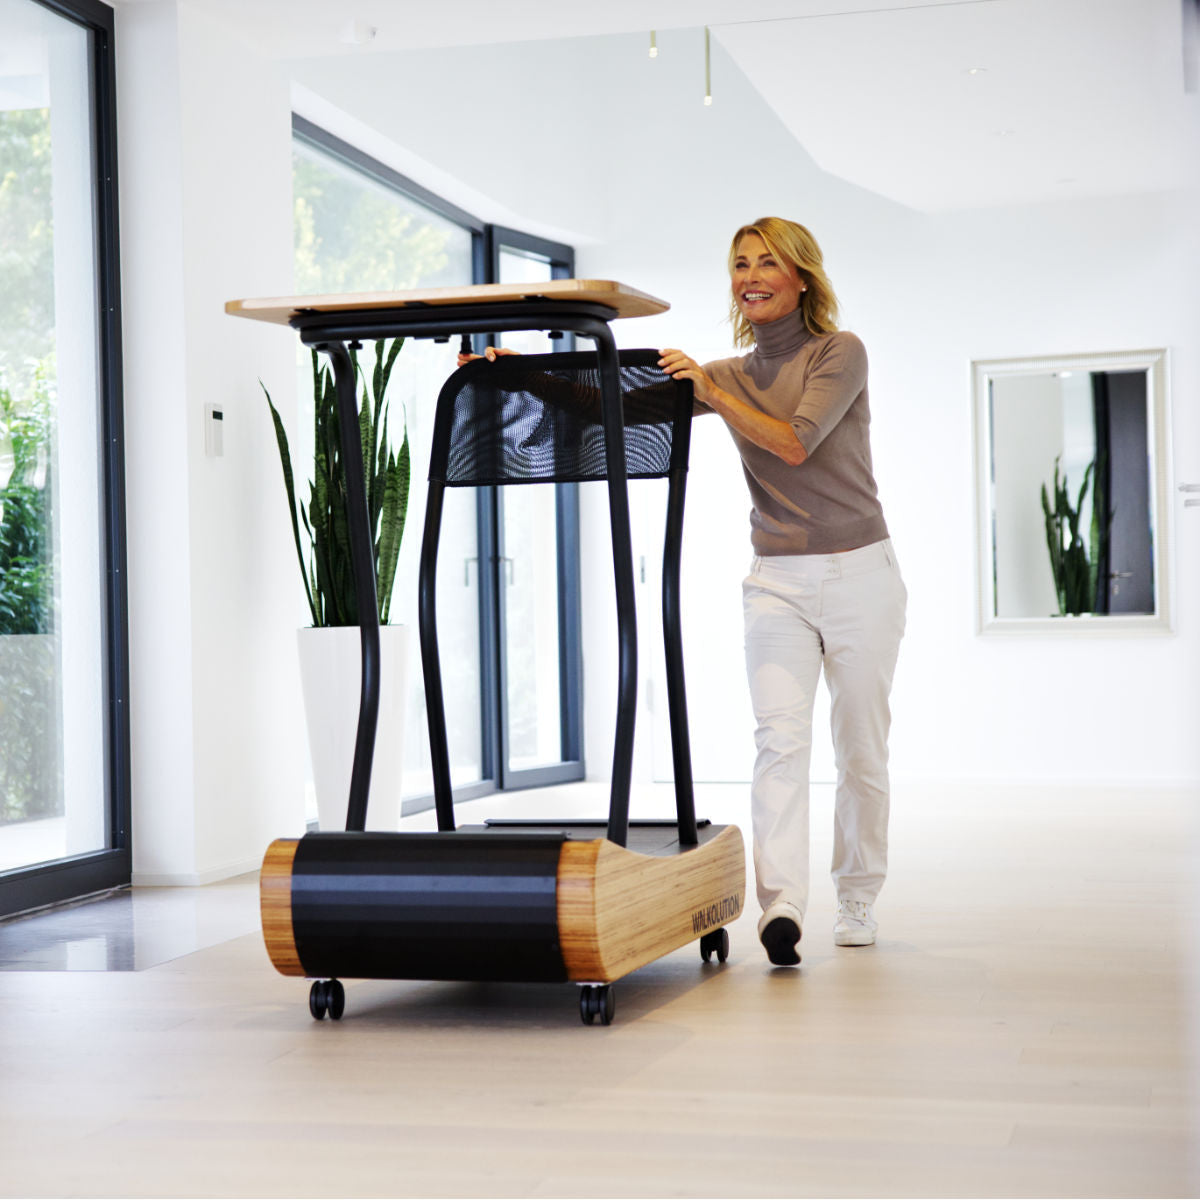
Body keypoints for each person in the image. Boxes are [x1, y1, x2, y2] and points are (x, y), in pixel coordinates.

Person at [658, 216, 906, 966]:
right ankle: (783, 906)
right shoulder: (725, 375)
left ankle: (857, 894)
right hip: (776, 582)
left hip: (861, 572)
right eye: (740, 264)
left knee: (860, 746)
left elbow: (796, 440)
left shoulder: (841, 352)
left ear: (801, 277)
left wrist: (713, 392)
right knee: (779, 742)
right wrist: (510, 366)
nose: (751, 275)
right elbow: (615, 399)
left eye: (768, 262)